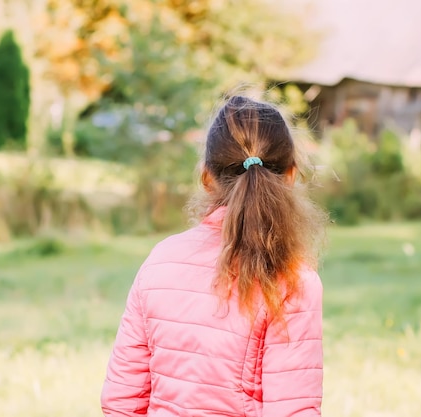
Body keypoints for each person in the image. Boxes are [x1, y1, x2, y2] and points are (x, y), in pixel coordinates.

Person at [101, 95, 327, 417]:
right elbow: (292, 410)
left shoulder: (160, 260)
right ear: (290, 176)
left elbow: (121, 401)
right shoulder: (293, 280)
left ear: (207, 178)